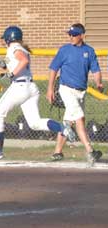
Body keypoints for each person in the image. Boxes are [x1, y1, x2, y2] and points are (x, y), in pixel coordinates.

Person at [0, 26, 75, 159]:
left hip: (20, 86)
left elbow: (23, 61)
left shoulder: (14, 48)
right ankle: (63, 128)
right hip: (30, 87)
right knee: (35, 123)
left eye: (5, 38)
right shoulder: (20, 48)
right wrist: (5, 67)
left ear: (10, 38)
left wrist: (11, 74)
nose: (4, 41)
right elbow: (19, 62)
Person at [46, 23, 103, 165]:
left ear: (82, 35)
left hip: (81, 91)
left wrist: (98, 83)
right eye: (69, 34)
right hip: (66, 89)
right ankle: (90, 151)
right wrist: (50, 89)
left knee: (69, 121)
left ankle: (57, 152)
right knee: (80, 119)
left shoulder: (89, 51)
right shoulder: (64, 50)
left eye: (74, 34)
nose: (71, 37)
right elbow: (54, 69)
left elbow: (95, 70)